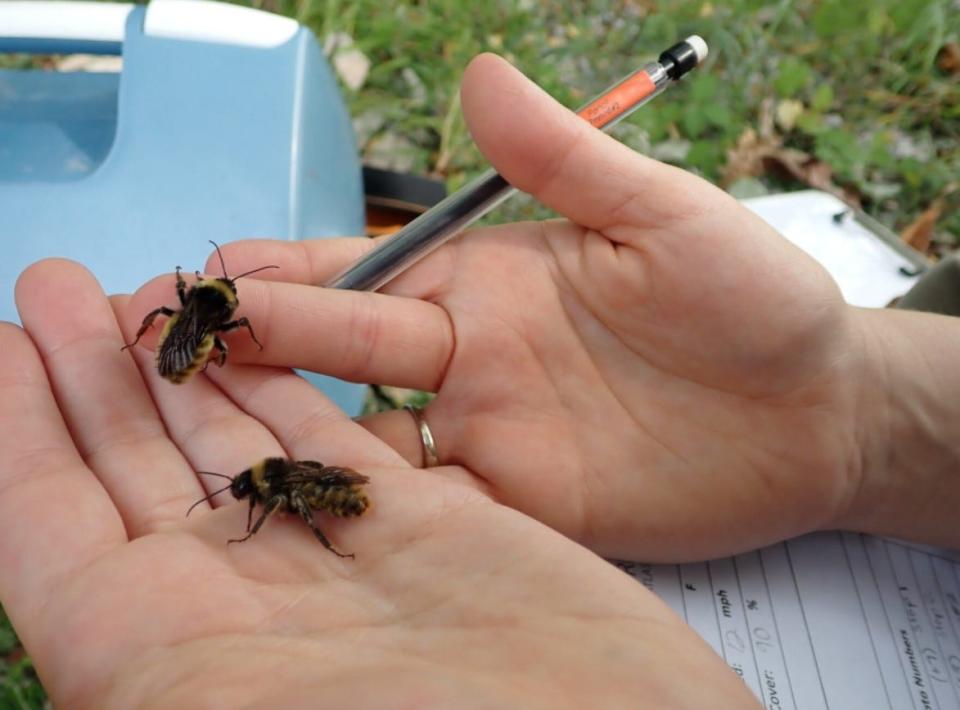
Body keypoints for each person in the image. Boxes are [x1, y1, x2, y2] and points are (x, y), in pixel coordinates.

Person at [0, 53, 956, 709]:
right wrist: (856, 411)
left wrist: (848, 408)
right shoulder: (236, 385)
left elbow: (286, 494)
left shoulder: (252, 437)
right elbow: (286, 487)